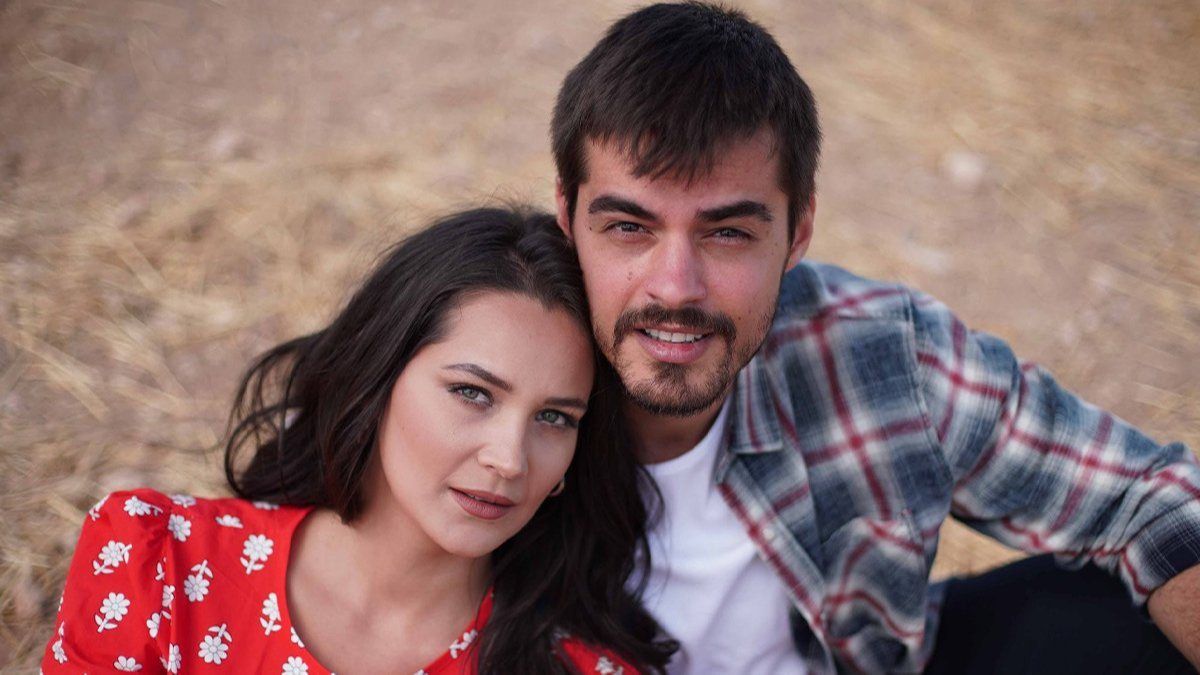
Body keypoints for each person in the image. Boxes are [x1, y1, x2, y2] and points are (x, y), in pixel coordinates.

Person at [549, 3, 1200, 673]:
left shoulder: (880, 355)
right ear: (567, 215)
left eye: (729, 233)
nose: (675, 287)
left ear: (799, 232)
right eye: (629, 227)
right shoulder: (502, 371)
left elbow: (1148, 502)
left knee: (1125, 607)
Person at [41, 207, 672, 674]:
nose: (509, 459)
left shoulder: (580, 668)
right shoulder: (156, 568)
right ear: (378, 379)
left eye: (555, 418)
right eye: (472, 393)